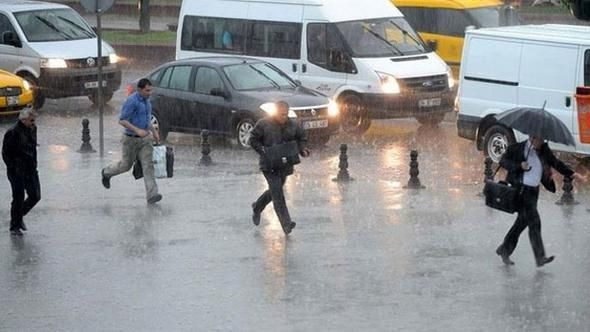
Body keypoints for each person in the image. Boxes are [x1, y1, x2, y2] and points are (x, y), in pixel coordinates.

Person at [495, 135, 585, 267]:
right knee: (534, 222)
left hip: (533, 191)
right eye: (540, 139)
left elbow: (556, 163)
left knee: (522, 222)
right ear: (532, 137)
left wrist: (572, 174)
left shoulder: (544, 150)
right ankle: (540, 257)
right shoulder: (517, 149)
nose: (542, 142)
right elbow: (503, 161)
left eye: (544, 139)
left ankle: (504, 249)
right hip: (520, 190)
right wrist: (519, 165)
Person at [249, 101, 310, 235]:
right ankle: (286, 224)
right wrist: (263, 150)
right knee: (277, 194)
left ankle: (257, 207)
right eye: (281, 114)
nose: (283, 117)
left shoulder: (293, 125)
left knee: (274, 190)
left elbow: (302, 137)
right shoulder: (263, 124)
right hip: (269, 165)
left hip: (285, 165)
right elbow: (252, 139)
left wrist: (302, 149)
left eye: (285, 114)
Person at [101, 78, 162, 204]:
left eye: (151, 90)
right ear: (139, 90)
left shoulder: (147, 102)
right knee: (125, 165)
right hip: (130, 140)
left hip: (145, 140)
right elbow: (122, 120)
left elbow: (147, 120)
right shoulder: (132, 101)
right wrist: (137, 130)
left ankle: (152, 194)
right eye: (147, 90)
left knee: (148, 166)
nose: (149, 93)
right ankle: (107, 172)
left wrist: (155, 133)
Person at [2, 107, 41, 236]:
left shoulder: (33, 129)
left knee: (35, 195)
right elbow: (6, 153)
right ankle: (15, 226)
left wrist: (34, 163)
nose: (33, 123)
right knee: (18, 197)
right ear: (24, 120)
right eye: (31, 120)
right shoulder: (13, 132)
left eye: (34, 120)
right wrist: (13, 167)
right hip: (16, 170)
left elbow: (33, 147)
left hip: (30, 168)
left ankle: (19, 216)